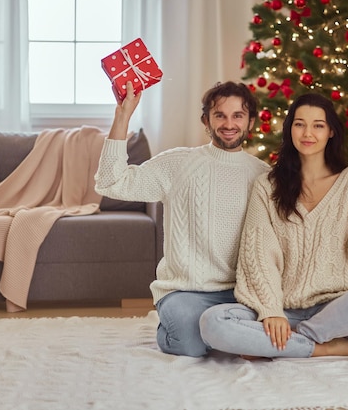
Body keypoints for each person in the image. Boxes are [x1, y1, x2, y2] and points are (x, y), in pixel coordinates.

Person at [199, 93, 348, 359]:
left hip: (338, 311)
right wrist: (271, 311)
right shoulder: (267, 185)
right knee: (212, 322)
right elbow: (258, 256)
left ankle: (290, 343)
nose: (307, 133)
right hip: (283, 311)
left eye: (318, 125)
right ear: (290, 129)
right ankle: (325, 348)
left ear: (331, 132)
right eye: (299, 124)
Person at [94, 80, 270, 357]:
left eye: (238, 116)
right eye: (220, 115)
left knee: (274, 328)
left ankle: (225, 333)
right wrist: (122, 116)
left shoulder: (262, 174)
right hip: (185, 292)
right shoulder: (178, 163)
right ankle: (186, 328)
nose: (229, 124)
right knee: (191, 345)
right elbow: (110, 183)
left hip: (240, 294)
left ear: (250, 122)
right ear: (206, 120)